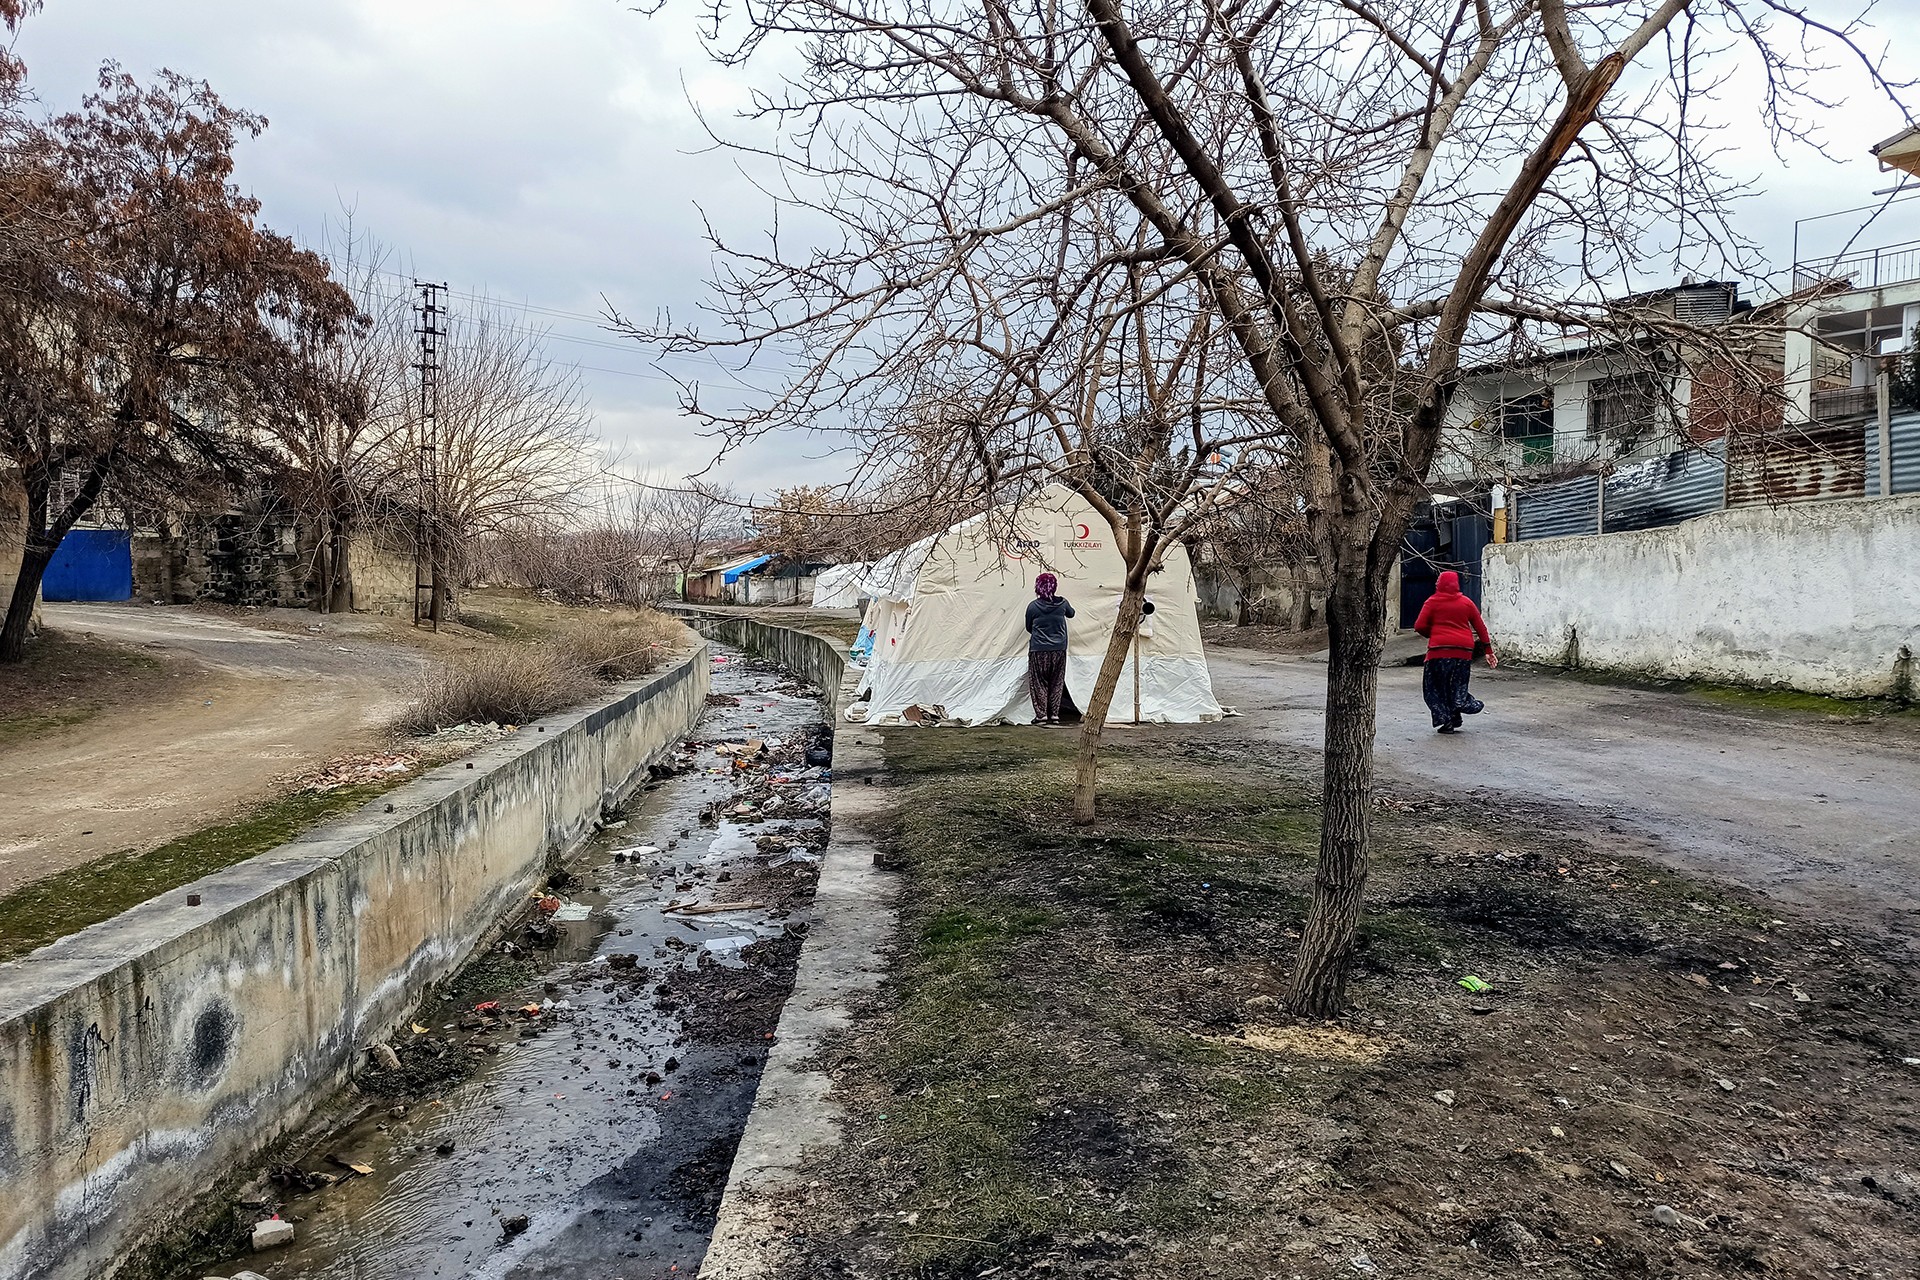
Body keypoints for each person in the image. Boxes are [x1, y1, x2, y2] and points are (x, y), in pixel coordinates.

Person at [1414, 569, 1496, 734]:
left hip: (1438, 653)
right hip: (1463, 653)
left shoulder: (1432, 602)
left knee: (1435, 688)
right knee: (1456, 685)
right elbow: (1480, 626)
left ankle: (1447, 720)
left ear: (1440, 584)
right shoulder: (1466, 602)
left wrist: (1435, 635)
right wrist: (1488, 650)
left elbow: (1419, 626)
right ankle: (1460, 706)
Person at [1024, 571, 1074, 725]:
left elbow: (1028, 627)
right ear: (1054, 587)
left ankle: (1041, 716)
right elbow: (1072, 614)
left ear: (1037, 588)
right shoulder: (1063, 604)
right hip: (1059, 648)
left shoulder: (1033, 606)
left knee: (1039, 682)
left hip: (1038, 649)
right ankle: (1054, 715)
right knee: (1057, 682)